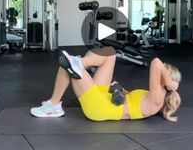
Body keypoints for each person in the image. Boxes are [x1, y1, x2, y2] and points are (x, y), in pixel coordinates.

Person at [30, 47, 182, 122]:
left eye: (164, 72)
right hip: (106, 98)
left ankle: (54, 106)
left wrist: (169, 82)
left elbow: (156, 63)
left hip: (101, 108)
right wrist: (120, 89)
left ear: (165, 79)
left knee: (68, 67)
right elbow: (131, 100)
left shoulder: (157, 101)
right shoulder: (150, 96)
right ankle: (78, 62)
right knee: (110, 53)